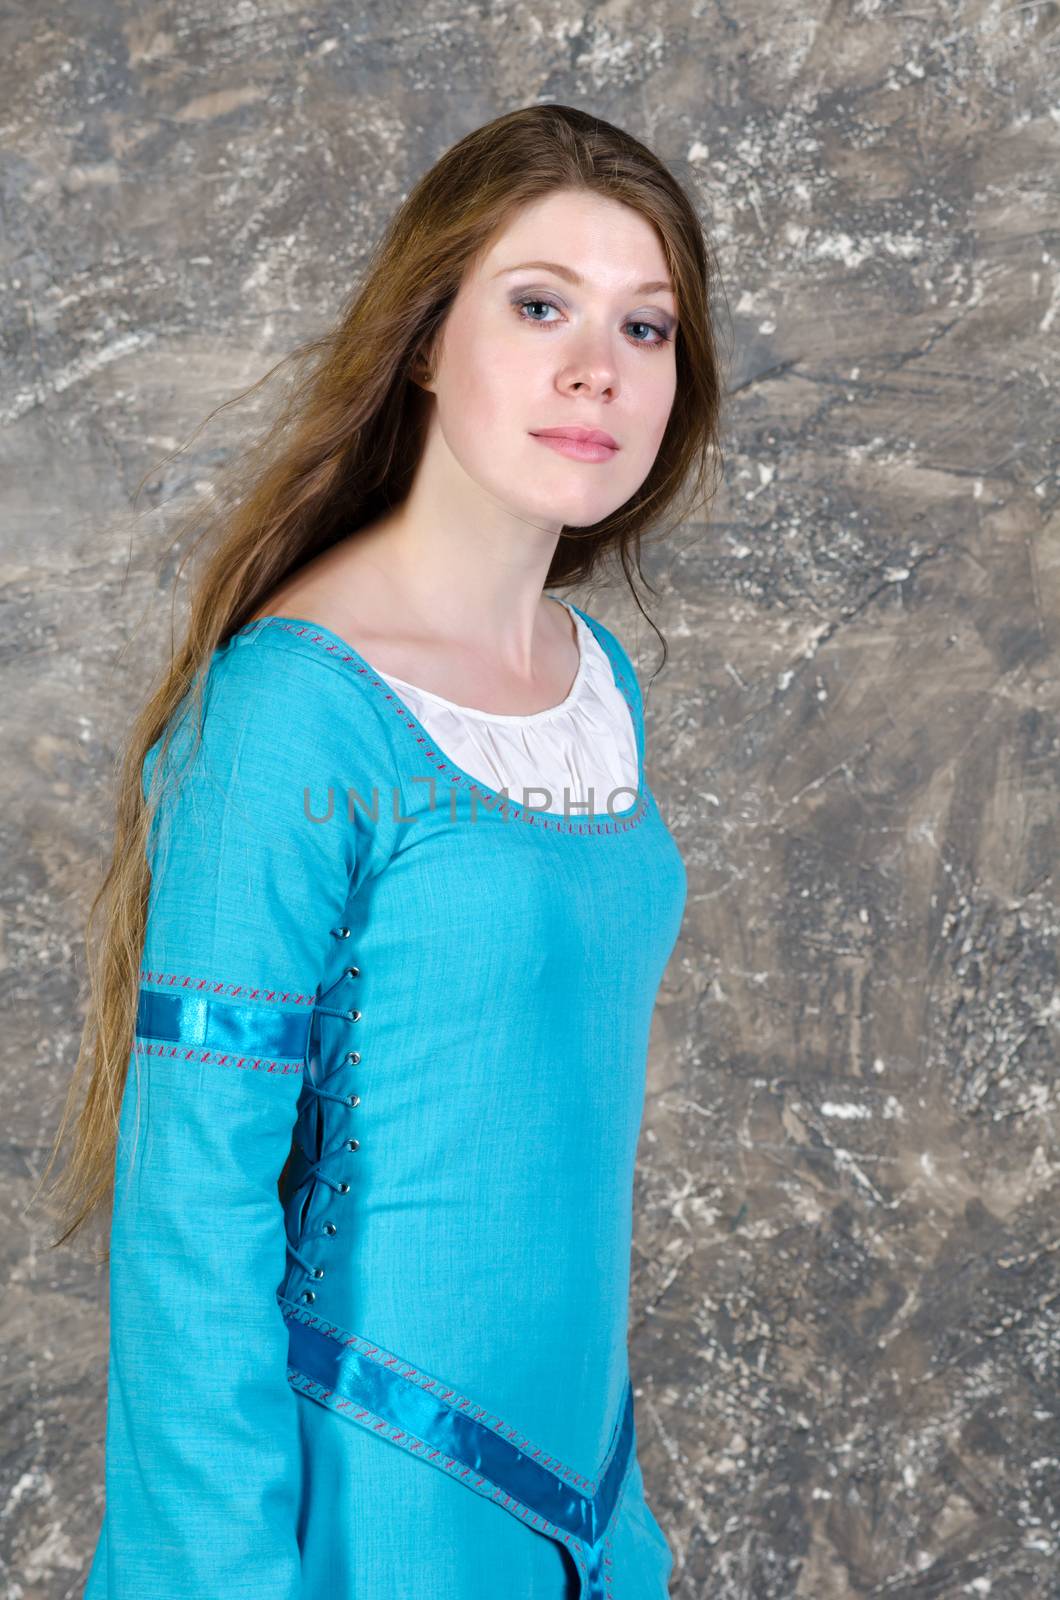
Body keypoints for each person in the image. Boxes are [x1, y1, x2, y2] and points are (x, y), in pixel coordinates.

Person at [39, 102, 724, 1599]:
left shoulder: (593, 681)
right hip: (366, 1519)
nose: (597, 368)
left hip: (592, 1511)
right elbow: (190, 1198)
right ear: (427, 338)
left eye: (648, 327)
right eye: (538, 305)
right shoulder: (293, 710)